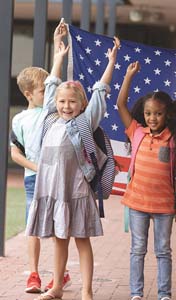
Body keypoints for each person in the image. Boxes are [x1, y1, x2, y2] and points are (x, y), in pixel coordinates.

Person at [25, 20, 119, 300]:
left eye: (72, 102)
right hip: (51, 191)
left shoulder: (84, 123)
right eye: (62, 102)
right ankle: (56, 287)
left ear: (82, 105)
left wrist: (111, 62)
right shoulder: (49, 118)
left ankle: (87, 291)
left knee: (82, 241)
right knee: (59, 241)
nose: (66, 106)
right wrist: (58, 53)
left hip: (76, 191)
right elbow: (52, 84)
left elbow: (100, 91)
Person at [116, 60, 176, 300]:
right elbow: (120, 104)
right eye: (148, 113)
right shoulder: (137, 132)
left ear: (167, 114)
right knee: (137, 250)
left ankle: (164, 294)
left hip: (164, 206)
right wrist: (128, 76)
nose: (152, 118)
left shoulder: (174, 140)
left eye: (158, 113)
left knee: (163, 251)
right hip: (137, 204)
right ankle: (136, 293)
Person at [11, 46, 71, 295]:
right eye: (42, 90)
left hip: (57, 180)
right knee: (32, 228)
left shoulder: (53, 112)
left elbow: (56, 80)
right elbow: (16, 154)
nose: (48, 93)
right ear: (28, 94)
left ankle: (60, 276)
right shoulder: (19, 120)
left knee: (59, 227)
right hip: (33, 181)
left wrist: (58, 57)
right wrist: (38, 168)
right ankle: (33, 274)